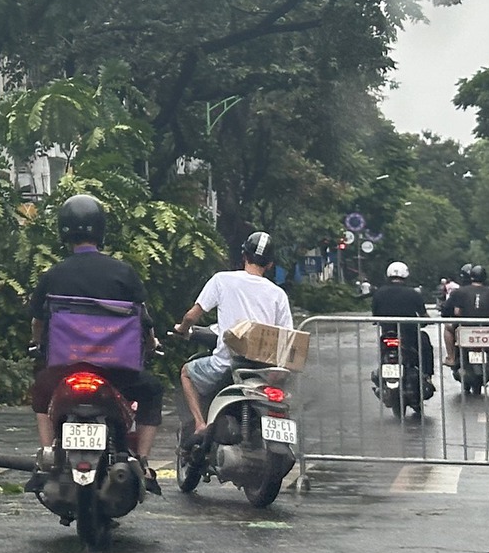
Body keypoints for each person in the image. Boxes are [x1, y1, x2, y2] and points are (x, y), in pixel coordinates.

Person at [28, 194, 164, 483]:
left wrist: (39, 345)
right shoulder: (123, 272)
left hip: (64, 368)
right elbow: (144, 319)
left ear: (63, 231)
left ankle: (48, 453)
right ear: (101, 230)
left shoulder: (53, 274)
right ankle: (141, 460)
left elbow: (38, 321)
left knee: (40, 390)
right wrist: (152, 345)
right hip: (118, 371)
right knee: (152, 391)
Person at [174, 232, 295, 440]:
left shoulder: (222, 280)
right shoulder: (278, 295)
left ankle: (201, 424)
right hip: (264, 370)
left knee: (186, 372)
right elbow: (288, 339)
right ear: (270, 264)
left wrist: (182, 329)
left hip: (227, 364)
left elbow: (192, 315)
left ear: (244, 256)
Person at [371, 259, 435, 383]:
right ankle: (427, 376)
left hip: (387, 333)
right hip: (409, 335)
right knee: (425, 346)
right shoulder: (413, 293)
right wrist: (427, 321)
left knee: (382, 350)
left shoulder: (378, 293)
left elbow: (375, 315)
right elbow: (423, 315)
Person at [442, 264, 489, 363]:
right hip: (486, 327)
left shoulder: (460, 291)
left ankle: (451, 357)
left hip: (465, 326)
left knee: (447, 328)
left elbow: (457, 312)